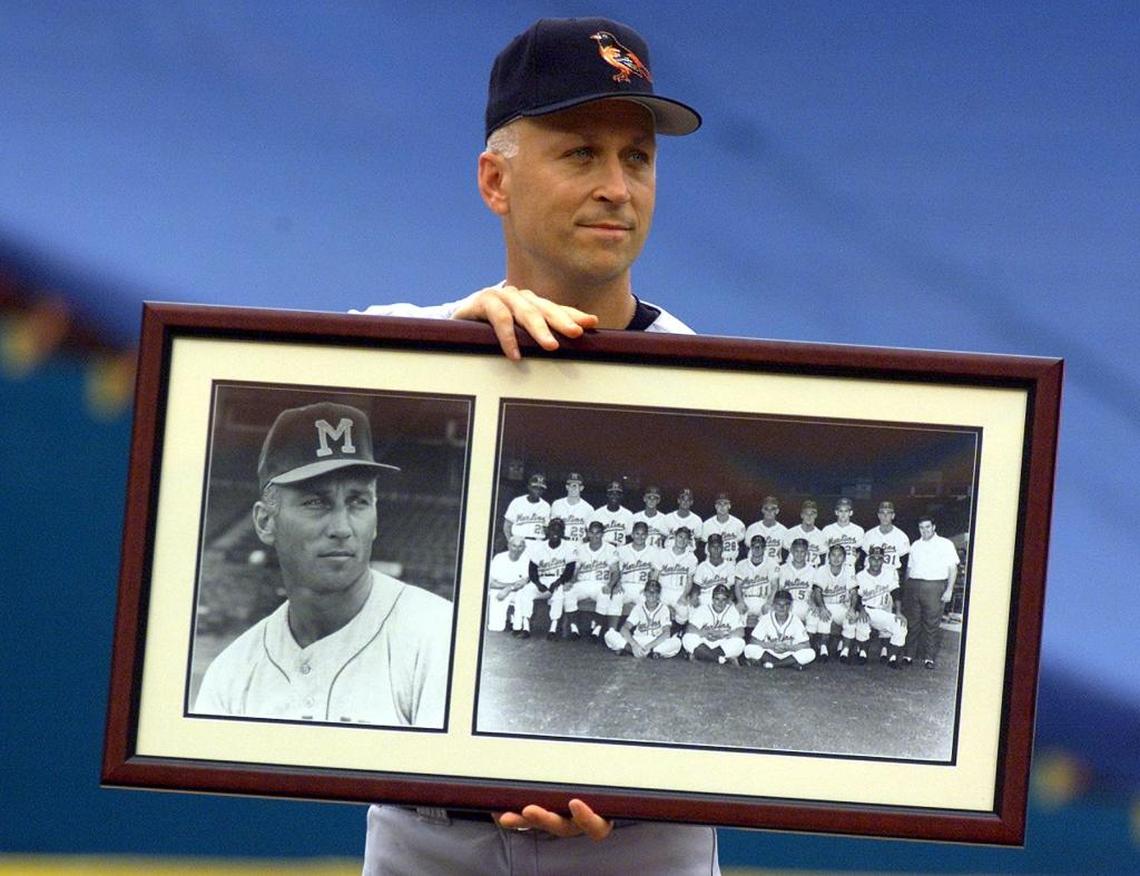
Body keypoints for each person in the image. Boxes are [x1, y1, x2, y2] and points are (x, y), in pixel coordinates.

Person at [357, 16, 719, 872]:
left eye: (637, 157)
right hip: (425, 838)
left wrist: (624, 778)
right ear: (496, 180)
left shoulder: (717, 396)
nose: (616, 186)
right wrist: (449, 335)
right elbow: (271, 388)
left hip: (641, 845)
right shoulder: (415, 346)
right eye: (580, 152)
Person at [194, 401, 451, 727]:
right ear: (264, 522)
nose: (342, 528)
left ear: (375, 517)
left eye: (358, 502)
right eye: (316, 502)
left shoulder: (440, 639)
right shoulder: (230, 675)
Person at [903, 516, 960, 669]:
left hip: (934, 586)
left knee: (931, 623)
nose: (925, 530)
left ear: (934, 527)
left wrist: (949, 590)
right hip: (915, 585)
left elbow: (952, 569)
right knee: (913, 623)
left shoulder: (945, 544)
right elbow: (909, 569)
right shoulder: (915, 544)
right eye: (921, 527)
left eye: (928, 527)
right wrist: (907, 588)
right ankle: (909, 655)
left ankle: (929, 658)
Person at [605, 578, 681, 658]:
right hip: (638, 640)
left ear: (658, 595)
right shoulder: (638, 607)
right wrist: (634, 645)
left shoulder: (664, 608)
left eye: (654, 591)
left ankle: (636, 651)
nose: (651, 594)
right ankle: (640, 651)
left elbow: (666, 633)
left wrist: (650, 646)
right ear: (644, 593)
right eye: (649, 591)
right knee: (610, 634)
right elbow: (624, 628)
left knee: (677, 642)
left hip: (655, 642)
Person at [744, 589, 815, 669]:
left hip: (789, 652)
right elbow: (753, 640)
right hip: (770, 651)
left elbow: (806, 645)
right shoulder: (766, 618)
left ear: (790, 606)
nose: (782, 607)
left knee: (810, 653)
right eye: (779, 604)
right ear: (773, 605)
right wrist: (771, 646)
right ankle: (789, 664)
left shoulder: (795, 620)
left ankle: (774, 664)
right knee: (749, 649)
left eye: (786, 604)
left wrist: (788, 647)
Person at [682, 583, 746, 665]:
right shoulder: (703, 609)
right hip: (705, 642)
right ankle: (721, 659)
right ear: (712, 599)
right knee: (688, 637)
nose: (720, 602)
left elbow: (741, 631)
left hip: (722, 643)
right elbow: (690, 628)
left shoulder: (732, 610)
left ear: (727, 601)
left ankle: (701, 655)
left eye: (723, 599)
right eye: (717, 599)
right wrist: (704, 633)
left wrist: (724, 634)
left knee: (740, 642)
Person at [487, 536, 530, 633]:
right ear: (509, 546)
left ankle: (517, 625)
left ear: (524, 548)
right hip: (499, 591)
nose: (517, 550)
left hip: (517, 591)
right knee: (496, 627)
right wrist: (507, 587)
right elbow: (490, 583)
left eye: (520, 547)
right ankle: (507, 617)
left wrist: (509, 588)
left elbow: (524, 581)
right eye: (514, 546)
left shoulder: (526, 560)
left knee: (525, 592)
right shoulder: (499, 558)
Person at [861, 500, 910, 576]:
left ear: (893, 516)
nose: (885, 516)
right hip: (870, 577)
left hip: (891, 577)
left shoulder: (902, 536)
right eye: (882, 513)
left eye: (888, 513)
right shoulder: (869, 535)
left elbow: (904, 563)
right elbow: (862, 560)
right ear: (878, 515)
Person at [821, 497, 865, 573]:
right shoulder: (827, 530)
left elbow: (860, 553)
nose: (843, 514)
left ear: (851, 513)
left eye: (846, 511)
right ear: (836, 512)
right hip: (831, 569)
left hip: (850, 569)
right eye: (841, 511)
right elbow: (823, 552)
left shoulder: (858, 530)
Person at [503, 473, 551, 542]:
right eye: (535, 488)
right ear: (529, 487)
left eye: (541, 488)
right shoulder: (517, 502)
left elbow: (547, 529)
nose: (538, 491)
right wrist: (510, 542)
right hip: (519, 541)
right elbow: (507, 526)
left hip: (537, 542)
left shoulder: (546, 506)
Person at [550, 471, 594, 542]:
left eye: (576, 485)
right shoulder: (557, 504)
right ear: (567, 487)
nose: (574, 488)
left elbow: (591, 532)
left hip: (579, 543)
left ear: (581, 488)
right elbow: (552, 528)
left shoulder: (588, 508)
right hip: (561, 543)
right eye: (571, 485)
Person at [782, 498, 827, 567]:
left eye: (812, 513)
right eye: (806, 513)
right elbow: (783, 556)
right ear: (802, 515)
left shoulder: (821, 535)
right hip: (793, 571)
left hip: (813, 571)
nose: (809, 516)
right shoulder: (790, 532)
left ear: (816, 515)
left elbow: (823, 560)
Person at [743, 495, 788, 564]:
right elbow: (747, 549)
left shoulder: (783, 530)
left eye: (773, 509)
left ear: (777, 511)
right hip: (755, 565)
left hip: (774, 565)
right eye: (766, 509)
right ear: (762, 510)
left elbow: (787, 552)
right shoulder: (752, 528)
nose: (769, 511)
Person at [590, 480, 635, 547]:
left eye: (617, 494)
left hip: (621, 550)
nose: (614, 496)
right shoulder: (597, 514)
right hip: (603, 550)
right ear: (607, 495)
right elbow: (592, 536)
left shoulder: (628, 514)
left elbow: (629, 537)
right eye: (611, 493)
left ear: (621, 496)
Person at [703, 493, 746, 561]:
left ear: (729, 506)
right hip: (711, 562)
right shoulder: (706, 525)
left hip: (730, 562)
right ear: (715, 506)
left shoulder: (738, 524)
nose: (722, 506)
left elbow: (741, 541)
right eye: (719, 504)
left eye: (725, 503)